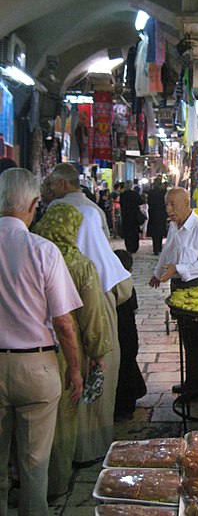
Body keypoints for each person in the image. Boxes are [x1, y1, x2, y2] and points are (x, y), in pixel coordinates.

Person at [0, 168, 83, 516]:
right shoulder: (43, 251)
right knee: (35, 467)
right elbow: (63, 323)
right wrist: (75, 369)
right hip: (36, 368)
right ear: (35, 204)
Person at [43, 167, 132, 463]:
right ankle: (92, 448)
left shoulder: (59, 223)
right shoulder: (92, 210)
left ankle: (71, 453)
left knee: (76, 375)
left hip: (75, 301)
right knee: (99, 375)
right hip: (100, 297)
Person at [33, 203, 112, 499]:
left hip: (28, 349)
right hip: (67, 353)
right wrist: (98, 352)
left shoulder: (30, 253)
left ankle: (22, 484)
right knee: (63, 421)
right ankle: (55, 486)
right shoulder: (79, 264)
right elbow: (90, 316)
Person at [149, 187, 198, 399]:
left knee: (197, 339)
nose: (168, 209)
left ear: (187, 203)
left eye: (173, 204)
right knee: (187, 337)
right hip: (180, 287)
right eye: (166, 205)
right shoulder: (174, 227)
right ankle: (192, 382)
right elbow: (168, 251)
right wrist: (157, 273)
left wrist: (178, 269)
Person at [113, 249, 147, 420]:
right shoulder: (127, 284)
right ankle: (133, 397)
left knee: (123, 366)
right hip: (128, 331)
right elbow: (134, 309)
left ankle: (125, 406)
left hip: (116, 330)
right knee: (127, 362)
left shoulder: (108, 281)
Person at [45, 163, 110, 238]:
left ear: (62, 184)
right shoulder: (97, 210)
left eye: (52, 184)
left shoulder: (57, 206)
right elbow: (105, 238)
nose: (52, 188)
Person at [119, 180, 143, 253]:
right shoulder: (135, 194)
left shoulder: (122, 195)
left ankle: (128, 247)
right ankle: (135, 246)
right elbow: (140, 202)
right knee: (134, 232)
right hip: (134, 216)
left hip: (126, 216)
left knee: (127, 233)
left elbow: (121, 204)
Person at [147, 176, 168, 255]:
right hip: (161, 214)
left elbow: (149, 202)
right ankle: (159, 247)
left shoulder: (151, 192)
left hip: (153, 213)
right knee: (160, 231)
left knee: (154, 233)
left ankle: (155, 248)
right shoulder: (163, 192)